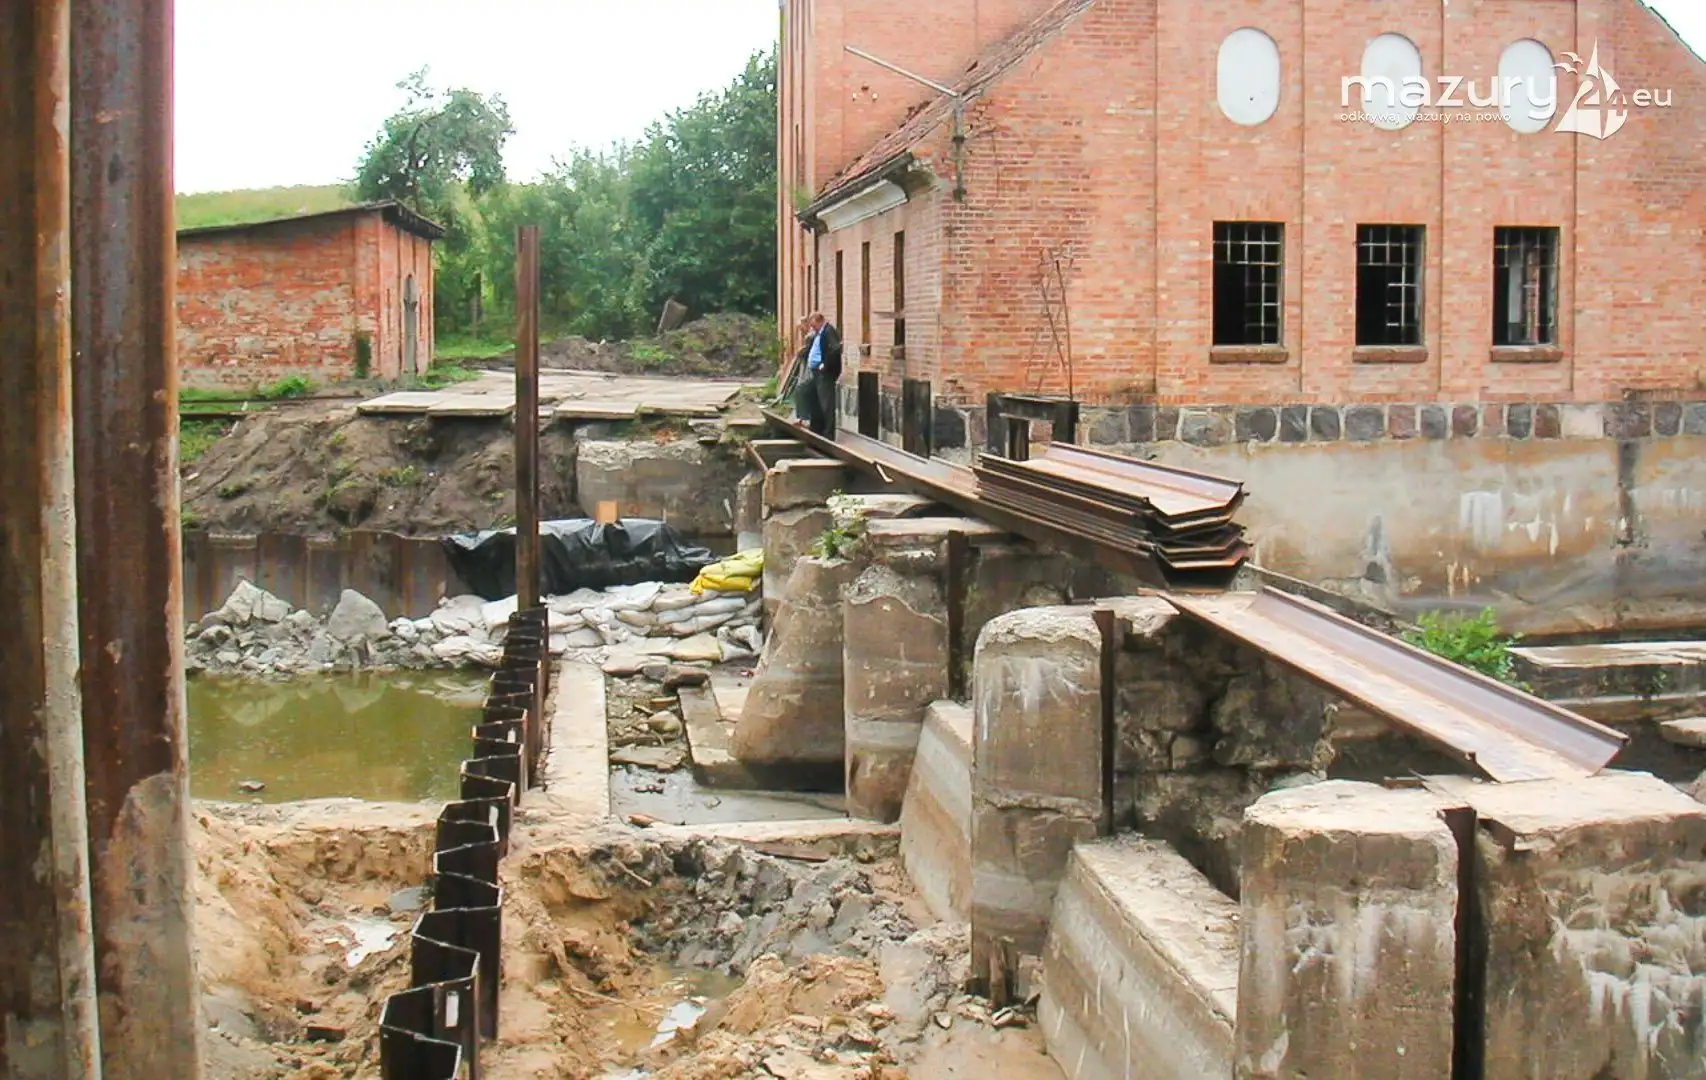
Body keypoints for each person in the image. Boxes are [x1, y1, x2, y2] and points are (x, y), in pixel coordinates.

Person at [803, 312, 843, 437]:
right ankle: (817, 428)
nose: (812, 327)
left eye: (813, 325)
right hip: (816, 372)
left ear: (819, 321)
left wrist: (825, 364)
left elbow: (836, 348)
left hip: (825, 373)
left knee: (826, 403)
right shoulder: (819, 333)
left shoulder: (828, 331)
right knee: (814, 398)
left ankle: (828, 433)